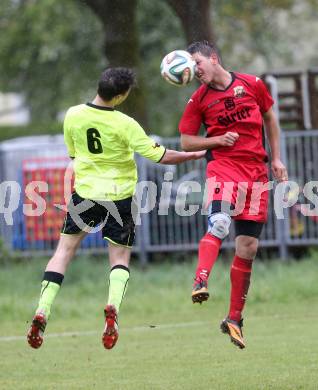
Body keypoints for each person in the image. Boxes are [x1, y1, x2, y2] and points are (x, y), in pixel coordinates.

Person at [27, 67, 204, 350]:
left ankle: (42, 310)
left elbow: (74, 154)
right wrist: (194, 153)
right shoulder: (125, 124)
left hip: (85, 194)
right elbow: (159, 155)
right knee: (119, 257)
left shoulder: (73, 115)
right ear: (120, 96)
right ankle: (112, 309)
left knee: (63, 252)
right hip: (120, 197)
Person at [178, 41, 288, 349]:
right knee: (221, 223)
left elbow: (271, 119)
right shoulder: (198, 100)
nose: (195, 70)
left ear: (213, 58)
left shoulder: (252, 84)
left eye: (198, 63)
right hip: (223, 167)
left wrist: (276, 158)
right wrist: (215, 140)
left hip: (256, 173)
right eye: (191, 66)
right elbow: (186, 141)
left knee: (248, 246)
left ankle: (234, 319)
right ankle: (200, 280)